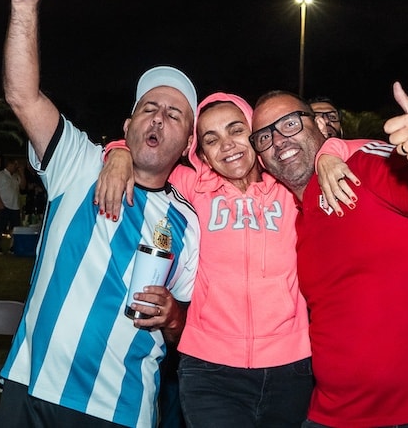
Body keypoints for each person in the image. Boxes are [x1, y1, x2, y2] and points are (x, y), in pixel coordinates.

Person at [0, 0, 201, 427]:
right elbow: (22, 95)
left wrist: (174, 315)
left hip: (120, 408)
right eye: (149, 107)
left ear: (188, 146)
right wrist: (24, 5)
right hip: (33, 385)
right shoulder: (81, 162)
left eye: (175, 115)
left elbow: (188, 323)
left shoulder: (189, 222)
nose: (159, 117)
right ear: (127, 127)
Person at [94, 92, 363, 427]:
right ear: (202, 155)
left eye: (236, 130)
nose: (227, 145)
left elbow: (349, 148)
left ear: (256, 135)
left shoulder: (290, 187)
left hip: (291, 368)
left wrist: (329, 154)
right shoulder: (192, 187)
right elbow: (148, 156)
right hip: (209, 373)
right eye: (211, 139)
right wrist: (118, 151)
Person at [250, 84, 408, 427]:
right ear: (261, 157)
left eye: (290, 123)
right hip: (336, 409)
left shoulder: (362, 166)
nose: (278, 140)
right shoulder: (298, 218)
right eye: (264, 136)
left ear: (321, 125)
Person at [0, 155, 25, 233]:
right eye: (15, 164)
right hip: (4, 205)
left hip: (15, 207)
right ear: (10, 164)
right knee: (1, 229)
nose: (16, 167)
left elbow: (22, 187)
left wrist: (22, 174)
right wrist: (0, 202)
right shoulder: (0, 175)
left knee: (15, 230)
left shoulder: (16, 176)